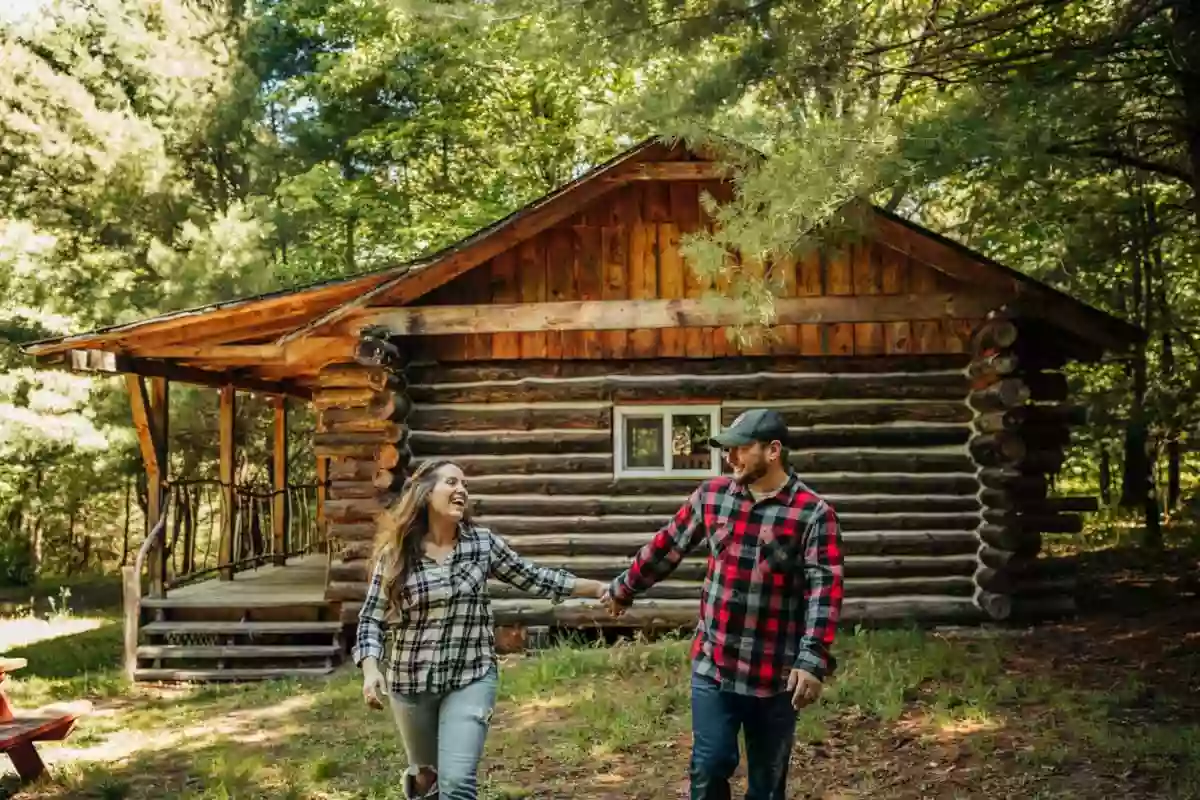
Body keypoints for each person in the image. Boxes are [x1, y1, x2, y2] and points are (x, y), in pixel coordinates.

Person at [600, 408, 845, 800]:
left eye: (740, 449)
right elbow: (668, 546)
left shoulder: (814, 514)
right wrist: (624, 588)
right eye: (727, 450)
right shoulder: (712, 496)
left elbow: (825, 587)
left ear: (773, 450)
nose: (729, 459)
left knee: (767, 787)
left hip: (776, 675)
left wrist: (812, 658)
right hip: (714, 664)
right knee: (709, 768)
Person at [354, 458, 608, 800]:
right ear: (426, 493)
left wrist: (597, 589)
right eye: (452, 483)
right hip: (411, 681)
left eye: (465, 486)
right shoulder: (397, 553)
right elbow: (371, 618)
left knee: (457, 784)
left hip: (470, 676)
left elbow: (535, 577)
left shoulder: (481, 545)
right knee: (426, 781)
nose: (462, 490)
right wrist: (371, 670)